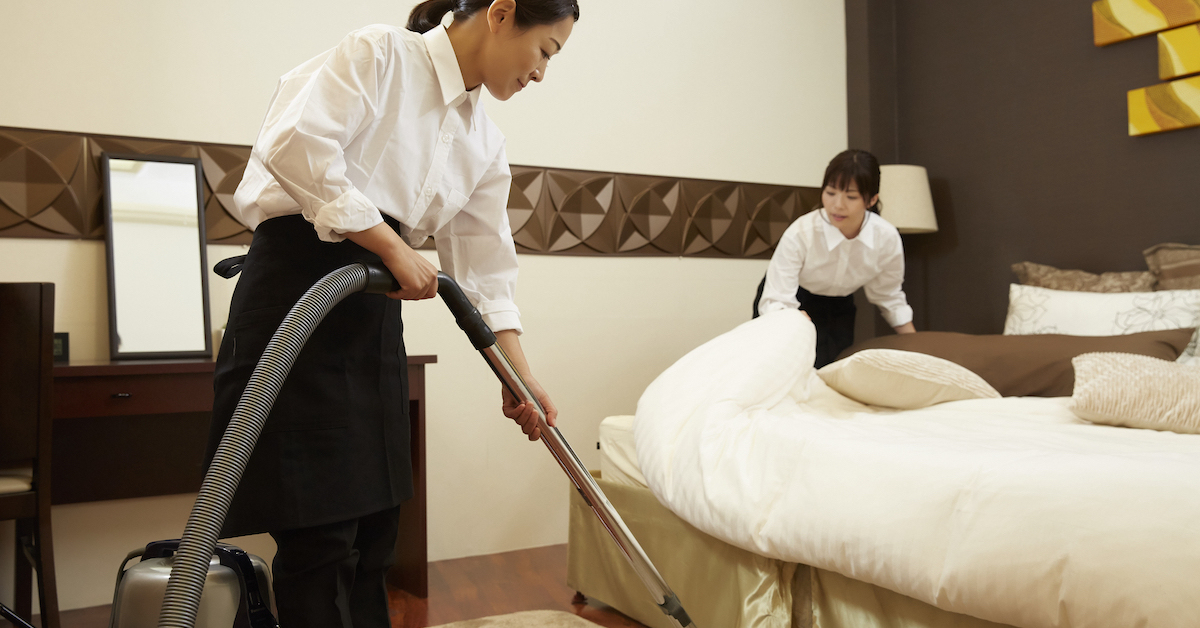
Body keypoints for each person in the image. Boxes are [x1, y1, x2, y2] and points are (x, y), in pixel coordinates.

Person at [205, 1, 579, 626]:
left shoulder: (484, 141)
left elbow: (486, 271)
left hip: (371, 320)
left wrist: (518, 376)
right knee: (319, 541)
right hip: (296, 301)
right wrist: (392, 247)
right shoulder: (380, 54)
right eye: (545, 50)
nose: (541, 72)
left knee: (376, 538)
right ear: (501, 12)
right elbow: (294, 144)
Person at [753, 149, 915, 368]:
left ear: (871, 199)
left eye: (851, 197)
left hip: (840, 308)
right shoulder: (802, 233)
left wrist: (916, 345)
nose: (837, 205)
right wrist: (793, 318)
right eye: (830, 193)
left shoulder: (885, 238)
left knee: (832, 371)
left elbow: (889, 295)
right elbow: (776, 299)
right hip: (790, 299)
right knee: (779, 366)